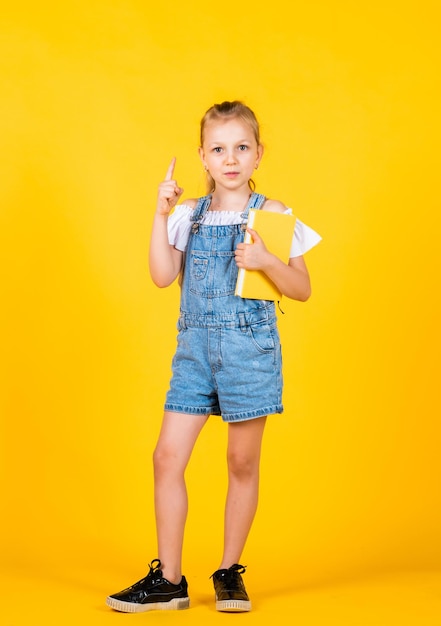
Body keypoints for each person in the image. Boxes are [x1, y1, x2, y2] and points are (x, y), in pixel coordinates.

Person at [106, 100, 321, 614]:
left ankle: (228, 571)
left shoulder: (274, 214)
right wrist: (159, 215)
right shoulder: (187, 215)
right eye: (219, 149)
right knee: (166, 457)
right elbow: (162, 276)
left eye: (242, 147)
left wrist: (268, 258)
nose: (231, 158)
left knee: (241, 462)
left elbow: (302, 288)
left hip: (250, 350)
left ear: (258, 154)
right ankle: (170, 581)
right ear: (203, 156)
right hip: (195, 353)